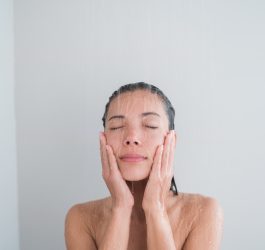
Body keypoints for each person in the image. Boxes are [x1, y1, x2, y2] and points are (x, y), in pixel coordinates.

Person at [64, 82, 223, 250]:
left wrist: (155, 208)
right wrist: (121, 207)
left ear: (171, 141)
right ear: (103, 141)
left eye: (150, 125)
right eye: (117, 126)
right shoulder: (81, 218)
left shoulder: (203, 212)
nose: (132, 137)